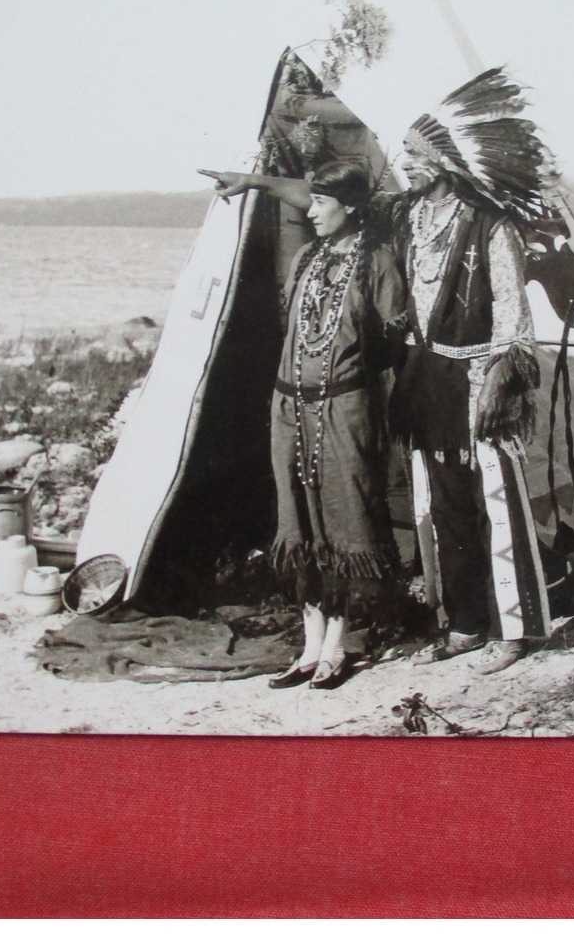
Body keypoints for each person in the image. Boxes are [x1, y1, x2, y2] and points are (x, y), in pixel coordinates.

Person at [203, 68, 553, 677]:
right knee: (441, 510)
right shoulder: (408, 215)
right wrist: (255, 180)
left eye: (418, 157)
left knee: (493, 501)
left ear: (445, 161)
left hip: (478, 383)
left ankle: (517, 629)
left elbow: (515, 321)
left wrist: (500, 382)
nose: (408, 166)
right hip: (425, 380)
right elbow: (327, 199)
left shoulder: (491, 227)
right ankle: (465, 623)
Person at [201, 160, 407, 690]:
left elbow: (394, 344)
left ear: (352, 206)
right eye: (310, 200)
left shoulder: (377, 263)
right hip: (290, 408)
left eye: (321, 202)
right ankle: (310, 643)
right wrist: (250, 181)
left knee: (346, 520)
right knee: (298, 522)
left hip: (345, 409)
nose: (310, 211)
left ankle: (341, 646)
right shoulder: (307, 258)